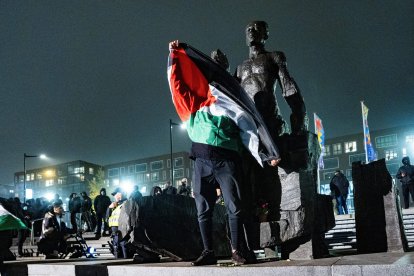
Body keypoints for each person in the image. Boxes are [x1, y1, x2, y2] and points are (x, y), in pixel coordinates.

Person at [168, 40, 279, 266]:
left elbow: (251, 131)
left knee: (235, 206)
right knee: (203, 208)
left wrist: (268, 154)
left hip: (227, 160)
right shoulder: (194, 103)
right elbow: (177, 85)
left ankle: (237, 251)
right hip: (202, 160)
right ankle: (208, 251)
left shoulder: (235, 104)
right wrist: (174, 56)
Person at [236, 21, 307, 138]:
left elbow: (289, 89)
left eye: (256, 28)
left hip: (271, 123)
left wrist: (300, 123)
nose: (251, 31)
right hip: (247, 127)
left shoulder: (274, 57)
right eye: (248, 29)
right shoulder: (240, 68)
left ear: (265, 34)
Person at [108, 187, 128, 258]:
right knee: (116, 246)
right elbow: (107, 217)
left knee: (123, 244)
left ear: (120, 194)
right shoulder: (115, 205)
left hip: (122, 228)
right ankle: (118, 260)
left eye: (115, 194)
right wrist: (110, 208)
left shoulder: (126, 203)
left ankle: (125, 260)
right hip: (114, 229)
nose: (114, 196)